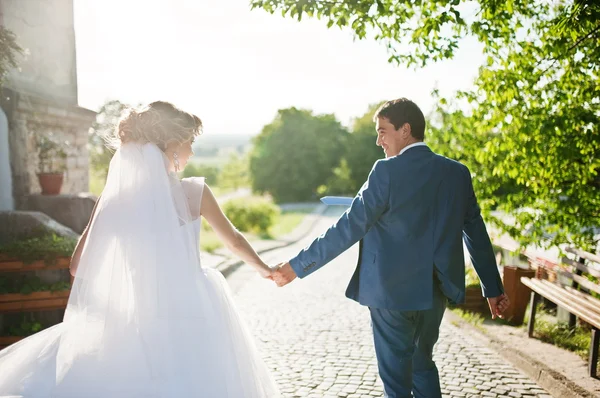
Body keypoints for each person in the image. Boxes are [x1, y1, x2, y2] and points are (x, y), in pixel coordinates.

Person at [0, 101, 280, 398]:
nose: (192, 152)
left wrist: (100, 215)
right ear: (172, 145)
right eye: (190, 143)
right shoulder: (194, 193)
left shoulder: (116, 201)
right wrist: (266, 270)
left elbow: (77, 266)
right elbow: (233, 240)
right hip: (191, 309)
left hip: (138, 314)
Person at [270, 98, 510, 398]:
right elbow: (475, 229)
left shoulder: (386, 172)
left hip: (390, 296)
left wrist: (296, 266)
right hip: (436, 292)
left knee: (396, 380)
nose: (378, 140)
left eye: (383, 131)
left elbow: (348, 227)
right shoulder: (457, 173)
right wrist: (492, 288)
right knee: (422, 366)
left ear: (405, 130)